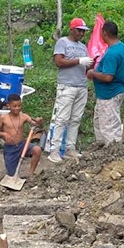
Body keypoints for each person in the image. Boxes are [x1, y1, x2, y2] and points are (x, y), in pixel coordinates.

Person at [46, 18, 95, 162]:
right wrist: (79, 61)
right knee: (62, 118)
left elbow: (85, 68)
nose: (81, 33)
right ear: (72, 29)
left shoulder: (83, 47)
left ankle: (70, 148)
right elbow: (59, 62)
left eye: (83, 31)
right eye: (79, 30)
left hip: (81, 85)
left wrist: (90, 64)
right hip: (67, 85)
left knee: (75, 119)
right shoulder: (63, 42)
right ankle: (54, 150)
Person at [87, 20, 124, 146]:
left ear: (105, 34)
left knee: (109, 126)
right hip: (108, 93)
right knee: (99, 122)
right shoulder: (121, 47)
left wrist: (93, 73)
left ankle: (113, 153)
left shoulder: (112, 53)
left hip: (109, 94)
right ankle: (102, 148)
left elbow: (108, 77)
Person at [0, 93, 43, 177]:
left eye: (19, 106)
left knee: (37, 150)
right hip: (10, 148)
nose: (17, 108)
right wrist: (4, 134)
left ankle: (31, 174)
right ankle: (13, 175)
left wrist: (39, 122)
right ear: (9, 106)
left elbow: (36, 125)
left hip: (22, 145)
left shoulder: (24, 116)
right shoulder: (3, 118)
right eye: (14, 106)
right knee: (11, 174)